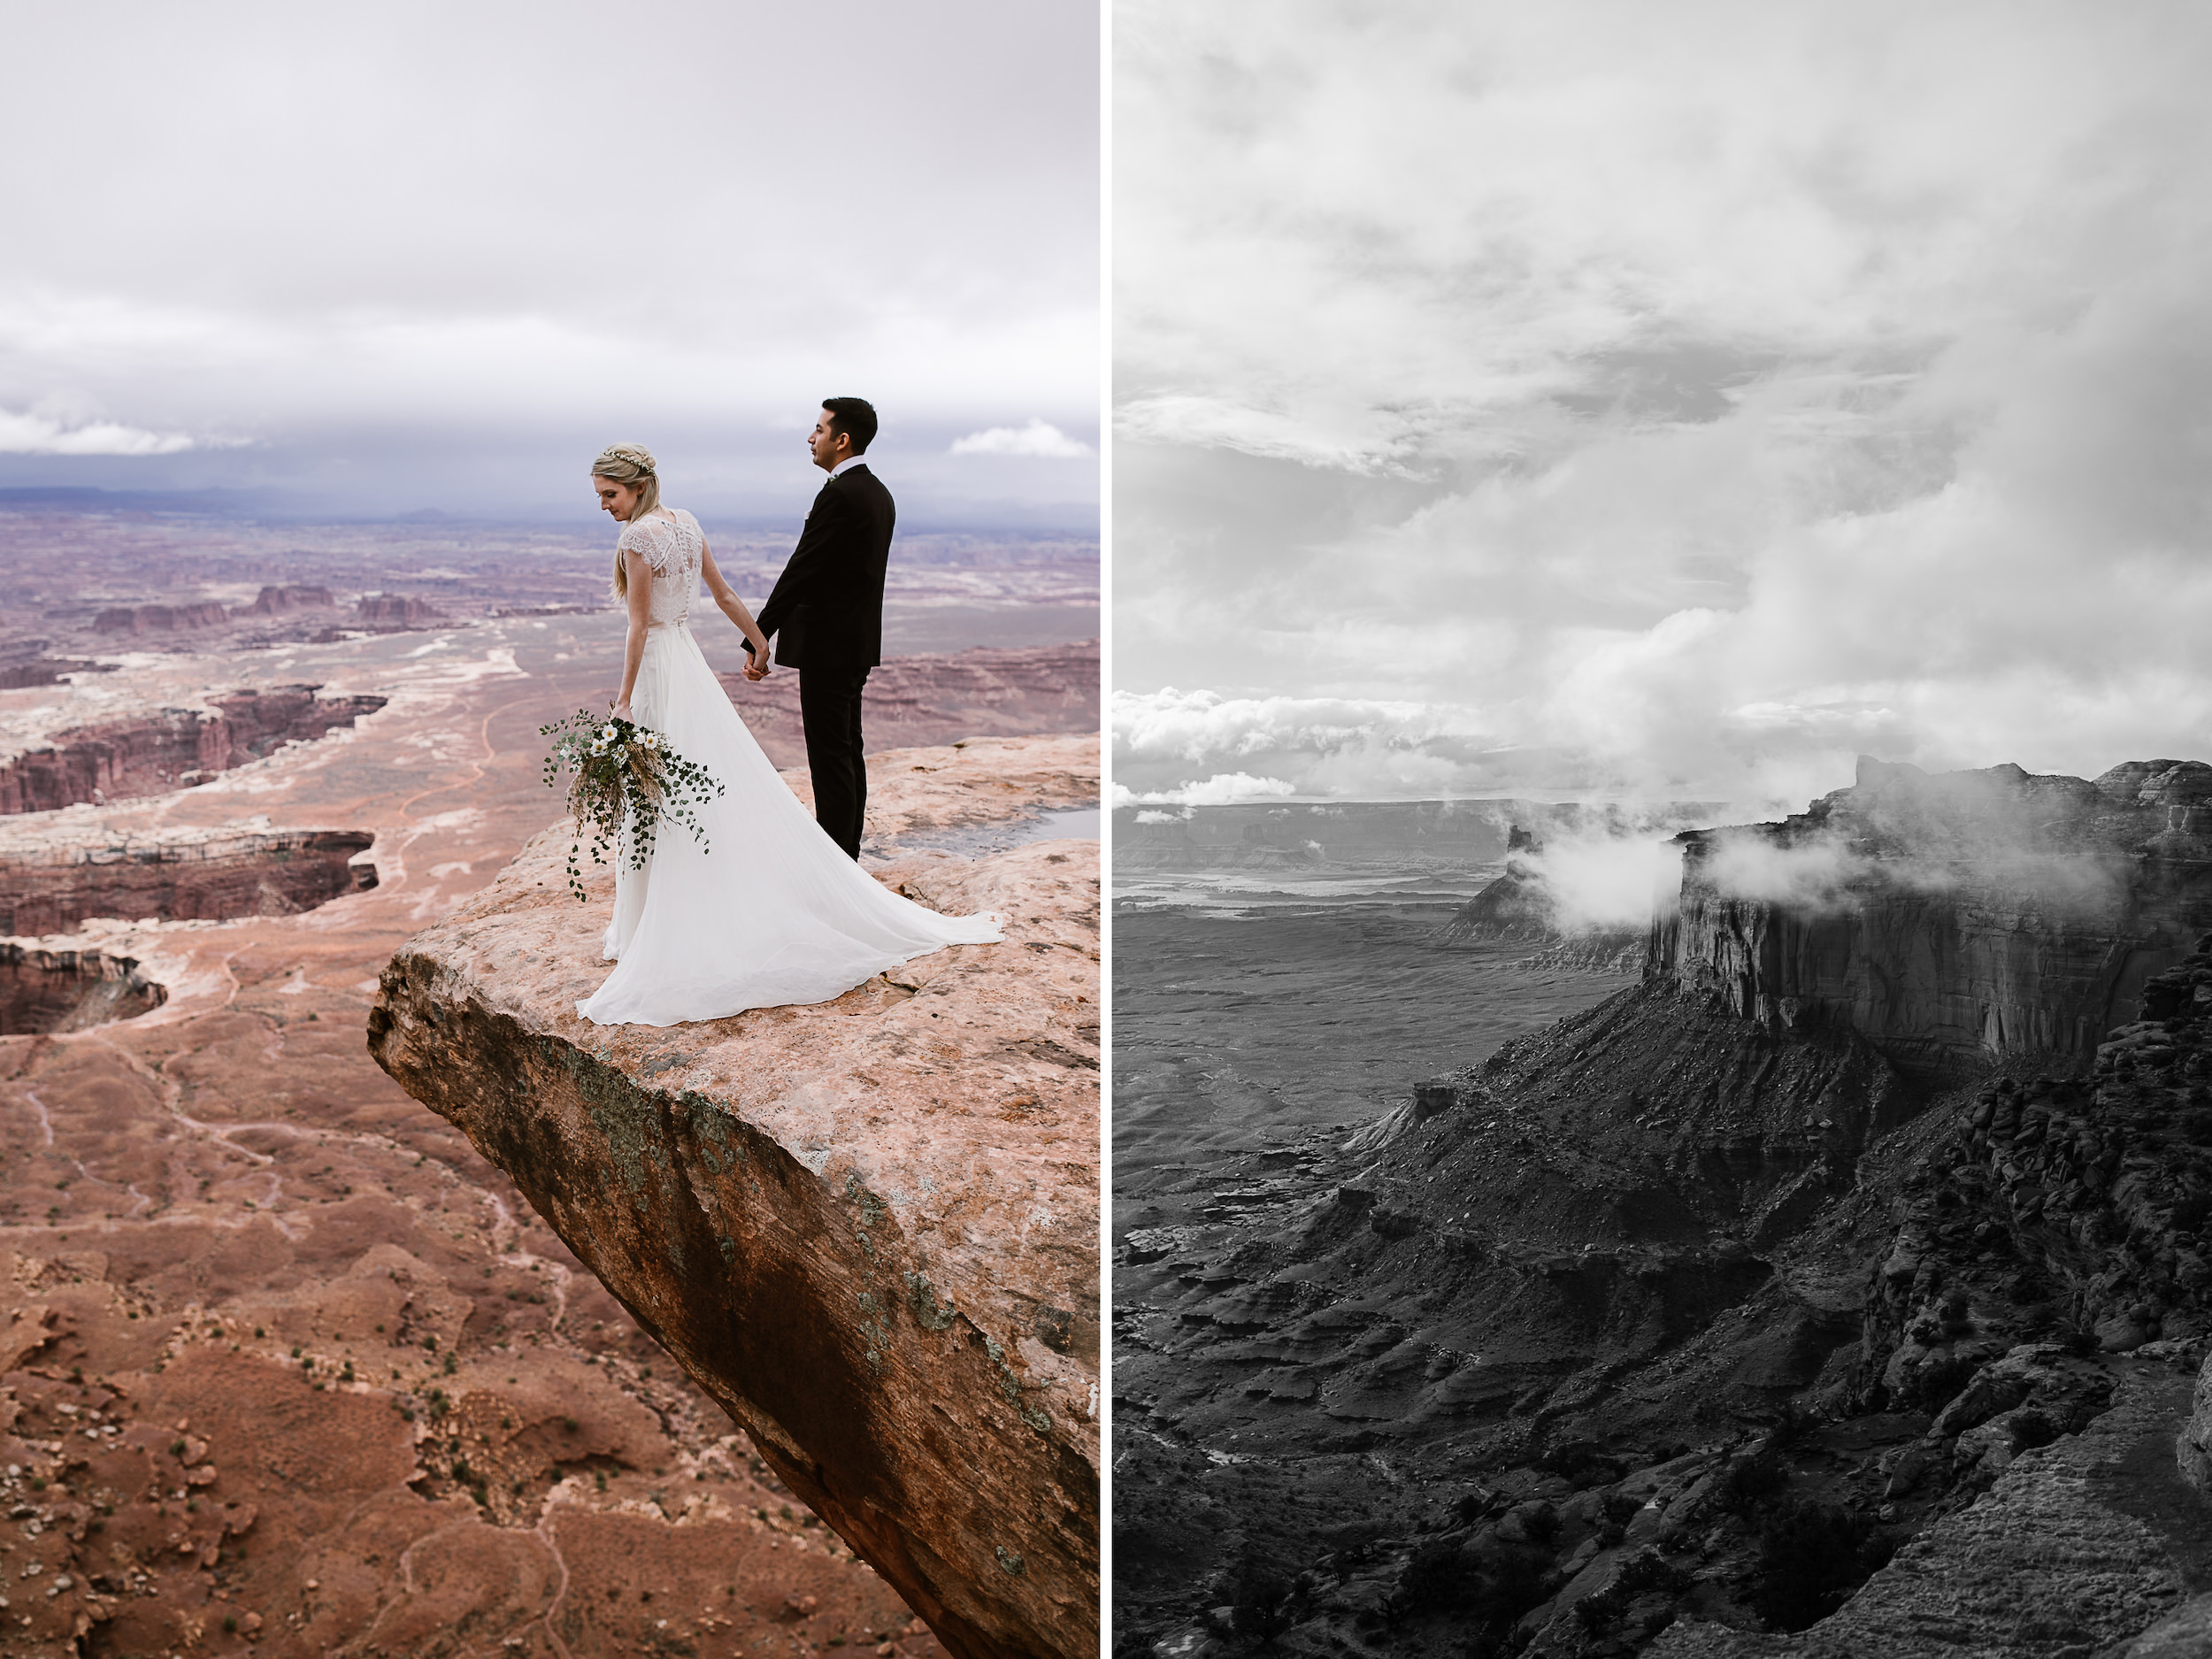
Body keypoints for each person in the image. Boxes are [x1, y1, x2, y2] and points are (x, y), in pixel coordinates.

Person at [573, 441, 1001, 1027]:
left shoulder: (637, 539)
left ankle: (653, 926)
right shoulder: (687, 524)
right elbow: (722, 593)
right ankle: (666, 915)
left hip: (659, 675)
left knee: (656, 795)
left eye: (610, 494)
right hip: (690, 667)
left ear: (639, 487)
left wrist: (623, 702)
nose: (605, 507)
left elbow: (640, 627)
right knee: (689, 787)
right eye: (600, 496)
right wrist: (758, 639)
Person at [749, 397, 892, 859]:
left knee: (830, 759)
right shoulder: (878, 493)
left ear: (842, 440)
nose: (811, 438)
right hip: (856, 644)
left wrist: (758, 633)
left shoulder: (841, 494)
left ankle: (834, 866)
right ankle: (846, 855)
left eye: (819, 430)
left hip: (828, 648)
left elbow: (802, 568)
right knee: (848, 751)